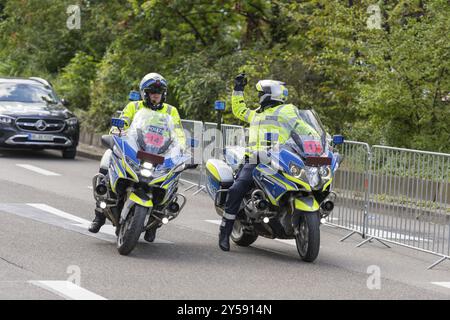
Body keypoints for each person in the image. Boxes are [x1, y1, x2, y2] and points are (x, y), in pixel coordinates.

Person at [218, 73, 318, 251]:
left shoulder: (286, 111)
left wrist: (320, 142)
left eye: (259, 94)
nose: (258, 97)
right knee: (237, 188)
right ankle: (225, 232)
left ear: (267, 94)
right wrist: (238, 90)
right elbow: (239, 110)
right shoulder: (256, 114)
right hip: (255, 159)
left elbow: (304, 128)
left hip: (280, 158)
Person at [88, 73, 186, 242]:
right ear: (144, 93)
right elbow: (123, 122)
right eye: (152, 91)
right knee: (107, 159)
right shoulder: (134, 106)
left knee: (174, 178)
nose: (156, 94)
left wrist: (182, 147)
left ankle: (155, 223)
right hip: (136, 150)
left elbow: (178, 132)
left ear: (164, 93)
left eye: (159, 91)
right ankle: (99, 215)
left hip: (159, 154)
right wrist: (117, 132)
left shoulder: (171, 111)